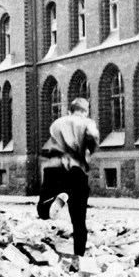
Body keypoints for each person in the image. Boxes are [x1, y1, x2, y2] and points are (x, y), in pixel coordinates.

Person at [37, 97, 99, 263]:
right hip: (76, 170)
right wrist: (86, 152)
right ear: (85, 111)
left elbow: (49, 145)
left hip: (53, 168)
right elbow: (93, 140)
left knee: (42, 208)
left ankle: (52, 202)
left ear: (70, 110)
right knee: (79, 219)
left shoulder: (57, 123)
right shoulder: (87, 123)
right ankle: (79, 257)